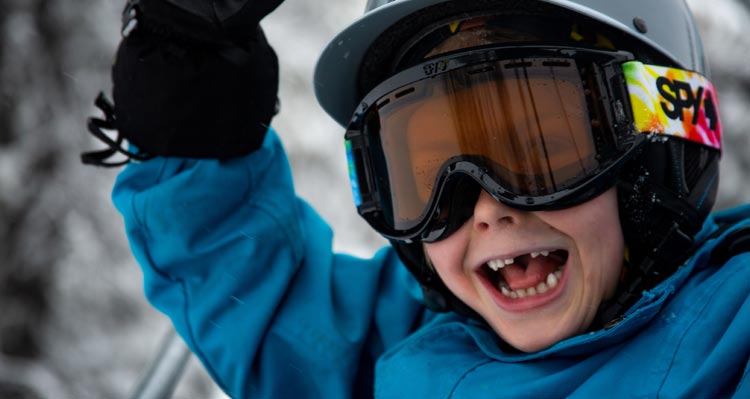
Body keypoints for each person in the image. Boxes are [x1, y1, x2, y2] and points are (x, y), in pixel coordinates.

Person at [84, 0, 750, 397]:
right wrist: (189, 101)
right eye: (425, 166)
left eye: (543, 148)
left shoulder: (730, 340)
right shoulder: (406, 354)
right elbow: (274, 310)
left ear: (666, 137)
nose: (486, 204)